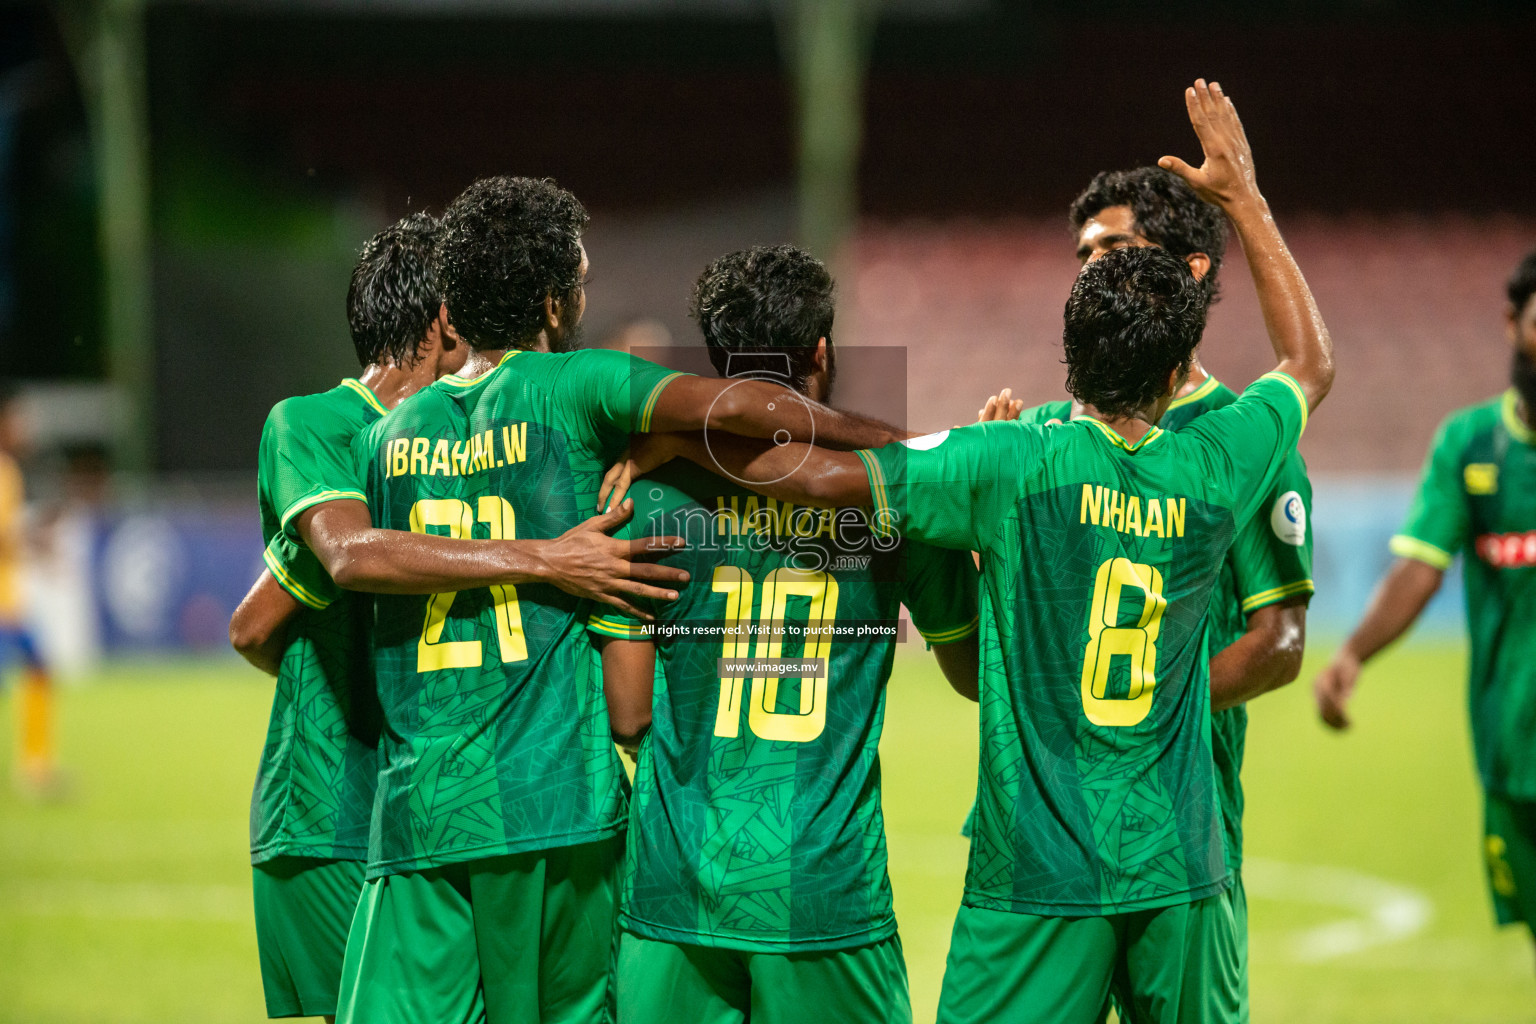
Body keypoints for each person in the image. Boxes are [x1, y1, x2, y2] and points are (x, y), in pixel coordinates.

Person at [617, 81, 1333, 1023]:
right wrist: (1245, 197)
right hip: (1175, 849)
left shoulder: (1009, 459)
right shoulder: (1227, 455)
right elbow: (1310, 367)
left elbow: (833, 484)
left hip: (1030, 860)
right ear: (1171, 365)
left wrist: (686, 430)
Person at [333, 177, 905, 1024]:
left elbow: (359, 566)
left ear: (452, 311)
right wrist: (913, 449)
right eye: (584, 283)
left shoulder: (386, 440)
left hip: (420, 804)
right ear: (557, 301)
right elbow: (749, 403)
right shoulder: (579, 388)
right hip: (557, 795)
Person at [590, 245, 981, 1024]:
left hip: (675, 887)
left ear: (712, 360)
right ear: (822, 353)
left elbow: (627, 714)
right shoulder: (895, 503)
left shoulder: (644, 493)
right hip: (825, 889)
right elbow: (972, 672)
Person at [979, 165, 1314, 1022]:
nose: (1091, 266)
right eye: (1083, 253)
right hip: (1047, 822)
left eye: (1114, 248)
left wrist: (1145, 713)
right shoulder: (1049, 433)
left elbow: (1280, 639)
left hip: (1182, 813)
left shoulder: (1237, 436)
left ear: (1188, 270)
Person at [1313, 247, 1536, 958]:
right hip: (1512, 749)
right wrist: (1352, 653)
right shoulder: (1473, 446)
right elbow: (1419, 569)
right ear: (1512, 323)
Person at [0, 384, 61, 798]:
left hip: (11, 600)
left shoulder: (10, 471)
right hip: (4, 604)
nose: (26, 429)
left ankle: (36, 767)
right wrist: (37, 539)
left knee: (39, 670)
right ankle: (34, 768)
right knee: (37, 671)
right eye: (20, 421)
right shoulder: (4, 472)